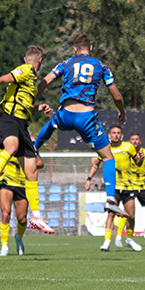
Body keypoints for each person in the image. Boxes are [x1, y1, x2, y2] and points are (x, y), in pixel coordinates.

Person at [35, 33, 128, 218]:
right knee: (108, 158)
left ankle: (34, 147)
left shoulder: (65, 63)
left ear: (75, 48)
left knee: (52, 123)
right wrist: (122, 111)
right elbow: (117, 96)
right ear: (91, 48)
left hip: (66, 114)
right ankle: (110, 199)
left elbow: (44, 82)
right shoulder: (101, 66)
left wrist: (33, 100)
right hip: (86, 118)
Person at [0, 45, 54, 234]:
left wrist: (39, 108)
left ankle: (37, 217)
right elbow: (2, 79)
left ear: (27, 58)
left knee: (32, 170)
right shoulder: (25, 70)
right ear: (39, 61)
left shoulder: (31, 81)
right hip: (10, 118)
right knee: (11, 146)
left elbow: (23, 106)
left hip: (22, 123)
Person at [85, 125, 139, 251]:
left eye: (118, 133)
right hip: (113, 188)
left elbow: (137, 161)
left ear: (122, 136)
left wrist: (140, 158)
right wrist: (89, 179)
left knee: (131, 215)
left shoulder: (128, 147)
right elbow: (96, 164)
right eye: (113, 133)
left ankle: (130, 239)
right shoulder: (105, 148)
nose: (115, 135)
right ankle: (107, 241)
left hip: (128, 186)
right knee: (111, 214)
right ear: (109, 135)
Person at [112, 133, 145, 249]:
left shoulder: (144, 153)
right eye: (133, 140)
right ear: (129, 142)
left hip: (142, 186)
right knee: (127, 213)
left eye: (137, 139)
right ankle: (119, 236)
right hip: (129, 186)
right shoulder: (125, 152)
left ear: (140, 141)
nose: (135, 141)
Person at [0, 140, 43, 256]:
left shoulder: (29, 142)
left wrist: (29, 163)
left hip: (23, 184)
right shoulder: (3, 141)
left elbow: (40, 163)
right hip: (6, 181)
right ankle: (4, 246)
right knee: (5, 213)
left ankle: (19, 238)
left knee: (22, 219)